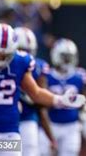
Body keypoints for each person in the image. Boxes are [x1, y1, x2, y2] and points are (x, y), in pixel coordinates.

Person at [0, 23, 85, 156]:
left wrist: (59, 100)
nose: (0, 58)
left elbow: (36, 93)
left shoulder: (20, 62)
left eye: (6, 55)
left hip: (8, 133)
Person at [40, 38, 86, 156]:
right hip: (51, 123)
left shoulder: (79, 76)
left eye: (69, 56)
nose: (67, 60)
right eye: (64, 56)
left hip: (71, 125)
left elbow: (85, 99)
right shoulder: (47, 75)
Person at [14, 27, 55, 156]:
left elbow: (41, 105)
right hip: (2, 121)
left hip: (27, 120)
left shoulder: (39, 67)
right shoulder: (1, 65)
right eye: (22, 50)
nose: (25, 55)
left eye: (28, 51)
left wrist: (50, 136)